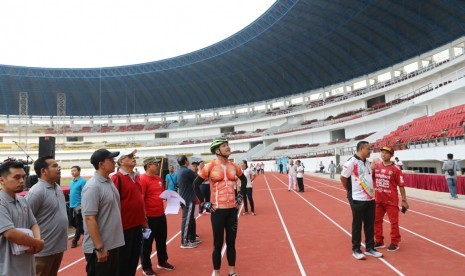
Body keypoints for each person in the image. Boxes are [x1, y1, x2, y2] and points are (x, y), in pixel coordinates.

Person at [193, 138, 248, 276]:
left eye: (228, 145)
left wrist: (240, 195)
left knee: (231, 242)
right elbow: (195, 185)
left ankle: (232, 271)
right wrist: (204, 202)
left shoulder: (234, 166)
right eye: (224, 146)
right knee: (218, 243)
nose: (228, 147)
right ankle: (216, 272)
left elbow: (244, 180)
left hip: (232, 211)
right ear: (217, 150)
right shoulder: (209, 166)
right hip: (217, 210)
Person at [82, 149, 124, 276]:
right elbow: (89, 218)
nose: (114, 162)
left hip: (112, 244)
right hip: (100, 248)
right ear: (101, 164)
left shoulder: (109, 182)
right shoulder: (92, 187)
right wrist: (99, 247)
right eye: (111, 160)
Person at [25, 156, 68, 276]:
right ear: (44, 171)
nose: (59, 168)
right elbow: (25, 218)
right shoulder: (37, 191)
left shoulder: (57, 188)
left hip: (57, 247)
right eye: (54, 166)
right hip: (43, 251)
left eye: (58, 165)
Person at [0, 160, 44, 276]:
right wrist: (37, 243)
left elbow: (33, 223)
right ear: (2, 180)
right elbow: (10, 233)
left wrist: (38, 240)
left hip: (26, 265)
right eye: (16, 177)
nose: (21, 181)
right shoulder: (1, 203)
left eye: (23, 177)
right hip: (7, 268)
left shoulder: (22, 200)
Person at [340, 141, 383, 260]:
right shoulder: (351, 162)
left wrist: (377, 162)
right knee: (357, 224)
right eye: (369, 149)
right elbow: (343, 178)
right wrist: (349, 191)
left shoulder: (367, 163)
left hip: (370, 198)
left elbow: (370, 172)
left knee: (369, 224)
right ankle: (356, 249)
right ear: (362, 148)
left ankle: (370, 248)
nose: (371, 151)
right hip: (357, 198)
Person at [111, 149, 148, 276]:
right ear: (121, 161)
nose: (134, 158)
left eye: (134, 156)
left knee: (133, 260)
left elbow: (139, 201)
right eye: (130, 156)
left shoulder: (136, 177)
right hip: (124, 228)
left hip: (136, 226)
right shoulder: (117, 179)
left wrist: (144, 222)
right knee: (122, 263)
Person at [140, 157, 175, 276]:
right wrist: (143, 218)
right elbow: (141, 199)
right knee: (146, 243)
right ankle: (146, 267)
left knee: (161, 239)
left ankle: (162, 261)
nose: (158, 166)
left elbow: (161, 195)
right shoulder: (143, 179)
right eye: (155, 164)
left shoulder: (159, 179)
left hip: (161, 214)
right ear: (148, 166)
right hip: (148, 217)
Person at [372, 146, 409, 252]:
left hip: (391, 200)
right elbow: (370, 178)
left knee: (393, 222)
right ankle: (379, 241)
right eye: (382, 153)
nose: (383, 155)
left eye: (386, 153)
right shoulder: (377, 166)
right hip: (378, 199)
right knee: (376, 221)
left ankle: (394, 242)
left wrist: (404, 200)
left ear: (391, 155)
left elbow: (401, 185)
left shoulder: (396, 169)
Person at [177, 155, 200, 249]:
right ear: (185, 161)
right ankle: (184, 242)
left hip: (184, 198)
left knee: (190, 219)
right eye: (188, 159)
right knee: (187, 220)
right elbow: (199, 179)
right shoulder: (187, 171)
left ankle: (191, 238)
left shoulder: (180, 171)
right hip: (188, 199)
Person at [69, 165, 87, 248]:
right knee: (72, 222)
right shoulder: (71, 182)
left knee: (78, 223)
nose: (73, 172)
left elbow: (85, 194)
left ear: (79, 171)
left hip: (79, 205)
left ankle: (75, 240)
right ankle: (85, 233)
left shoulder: (82, 181)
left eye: (74, 170)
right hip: (72, 205)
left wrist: (82, 205)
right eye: (72, 171)